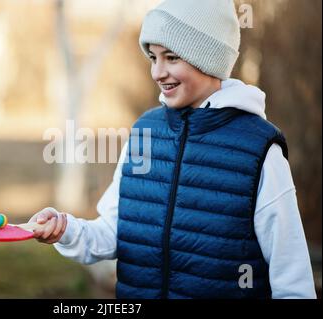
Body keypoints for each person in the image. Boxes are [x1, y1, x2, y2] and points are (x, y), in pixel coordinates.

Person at [28, 0, 316, 299]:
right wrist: (65, 230)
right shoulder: (144, 132)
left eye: (171, 57)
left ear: (209, 58)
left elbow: (292, 279)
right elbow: (113, 231)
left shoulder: (258, 149)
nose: (157, 72)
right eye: (153, 57)